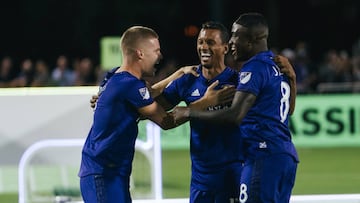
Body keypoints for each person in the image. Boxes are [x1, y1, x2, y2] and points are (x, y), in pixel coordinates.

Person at [90, 21, 296, 203]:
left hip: (232, 174)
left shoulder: (238, 81)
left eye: (210, 42)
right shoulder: (188, 80)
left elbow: (277, 108)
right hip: (200, 179)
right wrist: (110, 99)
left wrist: (291, 77)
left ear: (225, 48)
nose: (203, 47)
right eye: (200, 42)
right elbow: (148, 109)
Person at [173, 13, 299, 203]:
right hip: (285, 157)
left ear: (252, 40)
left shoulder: (253, 68)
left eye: (235, 35)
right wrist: (294, 79)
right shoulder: (277, 65)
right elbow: (289, 110)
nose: (232, 41)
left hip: (262, 154)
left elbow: (235, 115)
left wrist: (190, 111)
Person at [78, 26, 201, 203]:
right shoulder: (129, 85)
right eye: (156, 51)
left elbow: (146, 94)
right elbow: (166, 121)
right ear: (140, 53)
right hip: (105, 175)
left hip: (105, 173)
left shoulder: (115, 75)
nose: (160, 56)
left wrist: (178, 73)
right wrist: (205, 103)